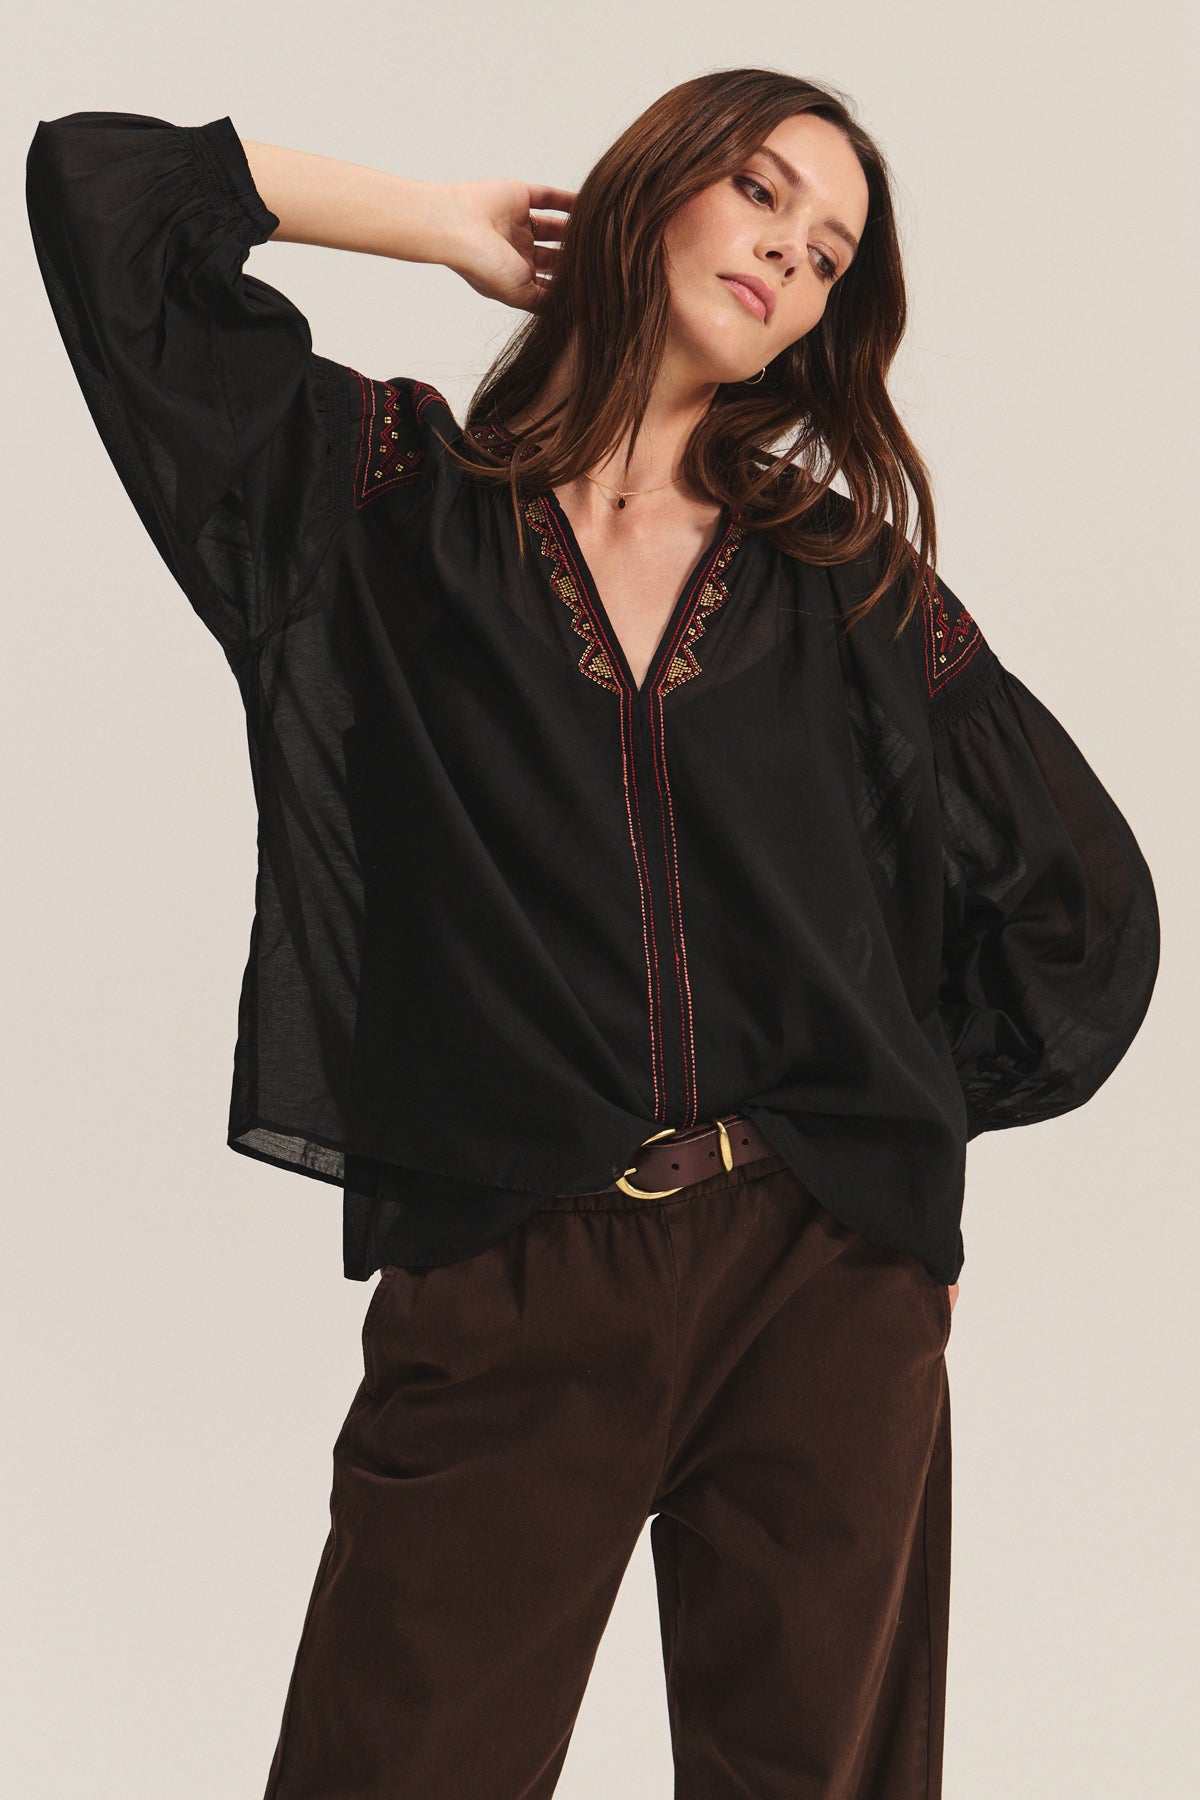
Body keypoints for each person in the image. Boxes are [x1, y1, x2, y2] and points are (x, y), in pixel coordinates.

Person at [25, 67, 1159, 1800]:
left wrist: (866, 1118)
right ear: (652, 194)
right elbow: (100, 196)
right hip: (510, 1272)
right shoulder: (378, 503)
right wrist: (446, 229)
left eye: (833, 253)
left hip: (821, 1286)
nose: (792, 254)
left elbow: (1083, 909)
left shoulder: (843, 580)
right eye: (763, 193)